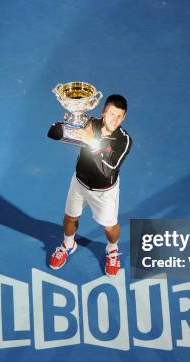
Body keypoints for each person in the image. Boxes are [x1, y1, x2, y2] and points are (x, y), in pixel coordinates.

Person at [47, 94, 132, 276]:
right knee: (70, 217)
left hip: (104, 192)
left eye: (119, 116)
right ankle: (68, 244)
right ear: (103, 112)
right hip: (79, 182)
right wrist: (66, 125)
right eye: (111, 114)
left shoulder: (124, 141)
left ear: (123, 117)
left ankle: (112, 249)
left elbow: (107, 169)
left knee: (110, 228)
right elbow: (53, 134)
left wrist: (91, 141)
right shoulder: (89, 124)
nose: (114, 120)